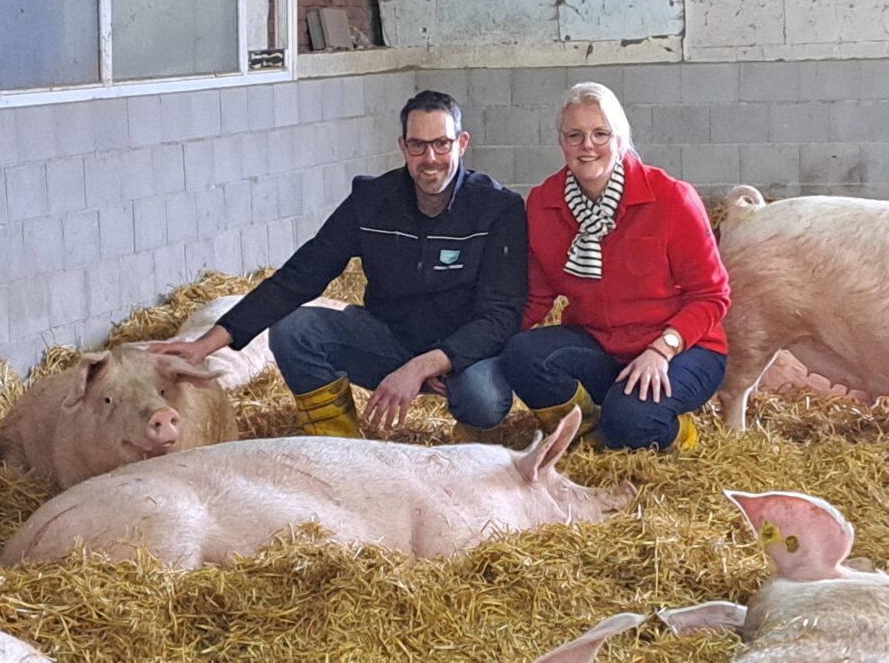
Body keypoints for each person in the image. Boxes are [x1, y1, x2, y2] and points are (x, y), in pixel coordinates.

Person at [149, 90, 527, 440]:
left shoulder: (497, 209)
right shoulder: (371, 202)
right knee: (294, 331)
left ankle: (470, 448)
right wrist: (207, 344)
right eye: (418, 145)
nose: (430, 158)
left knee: (483, 398)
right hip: (390, 340)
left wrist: (425, 366)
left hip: (461, 355)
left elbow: (500, 315)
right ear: (403, 147)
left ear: (461, 144)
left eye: (441, 144)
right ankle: (340, 445)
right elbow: (301, 275)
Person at [499, 82, 730, 452]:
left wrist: (662, 349)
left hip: (682, 348)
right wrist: (476, 345)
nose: (587, 146)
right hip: (601, 344)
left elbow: (712, 294)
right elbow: (537, 295)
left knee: (629, 425)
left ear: (620, 139)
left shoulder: (671, 198)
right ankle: (587, 427)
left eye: (600, 134)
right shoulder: (544, 203)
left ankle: (674, 430)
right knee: (521, 353)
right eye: (574, 135)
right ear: (561, 142)